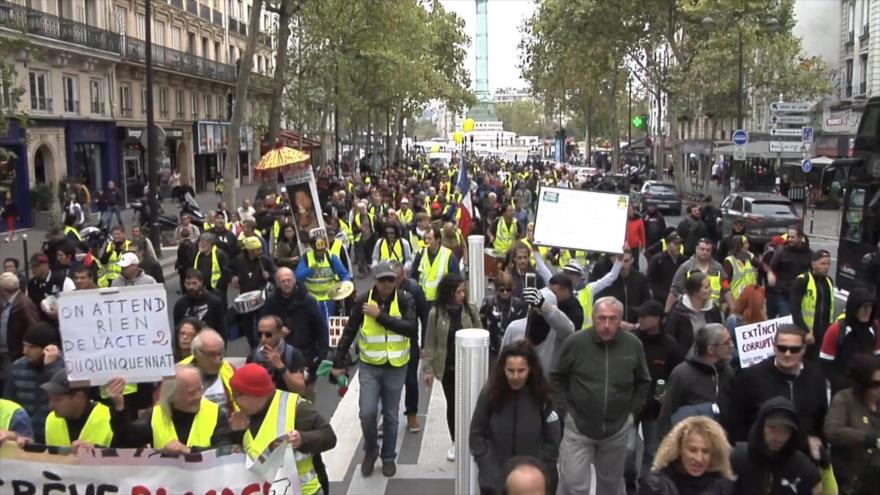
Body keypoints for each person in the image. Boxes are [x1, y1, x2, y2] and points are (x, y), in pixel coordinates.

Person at [553, 296, 651, 494]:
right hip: (579, 428)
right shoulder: (576, 342)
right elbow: (557, 377)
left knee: (611, 487)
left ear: (621, 320)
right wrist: (565, 411)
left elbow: (643, 380)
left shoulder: (633, 345)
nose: (607, 325)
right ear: (593, 317)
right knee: (572, 484)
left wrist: (632, 413)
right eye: (602, 318)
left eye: (613, 319)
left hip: (616, 430)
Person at [331, 261, 418, 477]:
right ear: (375, 281)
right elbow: (349, 332)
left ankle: (388, 457)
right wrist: (338, 363)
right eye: (382, 280)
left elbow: (410, 329)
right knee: (367, 413)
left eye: (391, 279)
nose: (387, 284)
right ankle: (371, 450)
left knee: (391, 415)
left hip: (396, 366)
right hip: (370, 365)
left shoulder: (405, 299)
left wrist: (379, 315)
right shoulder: (363, 301)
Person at [230, 363, 337, 495]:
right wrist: (237, 434)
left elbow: (329, 436)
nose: (234, 401)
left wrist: (302, 439)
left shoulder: (295, 408)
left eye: (237, 396)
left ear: (255, 394)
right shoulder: (243, 416)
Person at [470, 341, 561, 495]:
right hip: (495, 483)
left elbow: (553, 439)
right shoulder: (490, 393)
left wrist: (539, 470)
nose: (515, 376)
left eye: (521, 370)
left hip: (533, 484)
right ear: (503, 369)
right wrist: (487, 464)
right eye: (510, 370)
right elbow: (476, 433)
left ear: (530, 369)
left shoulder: (544, 395)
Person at [728, 325, 828, 456]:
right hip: (761, 457)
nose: (787, 354)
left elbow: (820, 420)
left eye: (794, 350)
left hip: (803, 458)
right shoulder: (751, 377)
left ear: (804, 350)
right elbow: (736, 423)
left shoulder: (815, 377)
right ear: (774, 347)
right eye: (782, 348)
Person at [423, 273, 482, 461]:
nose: (462, 295)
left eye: (464, 291)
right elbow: (430, 343)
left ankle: (473, 439)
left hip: (470, 366)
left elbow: (481, 334)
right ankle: (456, 442)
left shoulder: (470, 310)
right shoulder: (436, 314)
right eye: (459, 292)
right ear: (449, 293)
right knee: (454, 405)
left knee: (472, 404)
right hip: (448, 368)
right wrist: (428, 370)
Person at [108, 366, 234, 452]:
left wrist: (189, 452)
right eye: (191, 393)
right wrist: (119, 407)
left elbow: (225, 450)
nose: (198, 396)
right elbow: (125, 441)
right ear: (173, 395)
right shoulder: (156, 415)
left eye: (199, 389)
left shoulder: (215, 413)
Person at [628, 300, 683, 491]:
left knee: (652, 450)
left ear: (657, 319)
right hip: (631, 406)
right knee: (628, 451)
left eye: (644, 316)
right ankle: (629, 481)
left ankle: (647, 485)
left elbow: (677, 375)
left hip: (656, 410)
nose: (640, 320)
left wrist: (666, 397)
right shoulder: (632, 340)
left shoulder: (670, 346)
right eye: (639, 316)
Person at [731, 397, 822, 495]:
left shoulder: (803, 467)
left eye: (785, 430)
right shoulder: (737, 458)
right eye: (772, 428)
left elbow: (829, 492)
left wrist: (826, 469)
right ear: (761, 427)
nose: (778, 437)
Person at [261, 267, 327, 402]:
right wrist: (276, 333)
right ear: (278, 283)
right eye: (283, 281)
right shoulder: (271, 302)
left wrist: (321, 354)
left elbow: (321, 328)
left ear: (294, 280)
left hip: (306, 356)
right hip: (281, 357)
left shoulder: (308, 301)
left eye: (288, 280)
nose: (286, 283)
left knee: (306, 400)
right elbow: (263, 329)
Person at [657, 324, 734, 437]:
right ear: (711, 349)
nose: (732, 345)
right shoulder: (682, 374)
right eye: (727, 342)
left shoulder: (727, 372)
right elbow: (666, 416)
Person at [824, 354, 880, 495]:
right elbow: (832, 431)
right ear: (862, 383)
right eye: (875, 384)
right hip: (852, 479)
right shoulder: (844, 399)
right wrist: (867, 438)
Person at [638, 416, 735, 495]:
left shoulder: (723, 487)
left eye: (705, 451)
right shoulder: (655, 486)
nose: (699, 458)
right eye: (692, 450)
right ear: (679, 449)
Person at [4, 323, 65, 443]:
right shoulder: (17, 368)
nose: (25, 351)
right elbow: (9, 404)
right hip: (24, 438)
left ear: (47, 348)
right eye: (24, 346)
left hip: (54, 438)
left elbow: (63, 395)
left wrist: (51, 366)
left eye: (31, 347)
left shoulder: (64, 368)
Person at [389, 259, 430, 434]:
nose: (393, 284)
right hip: (388, 344)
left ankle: (412, 414)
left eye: (396, 279)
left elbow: (425, 317)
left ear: (403, 276)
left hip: (409, 342)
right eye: (390, 280)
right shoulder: (381, 291)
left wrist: (424, 344)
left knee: (411, 381)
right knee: (388, 384)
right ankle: (388, 417)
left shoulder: (414, 289)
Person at [502, 286, 576, 375]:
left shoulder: (557, 332)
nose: (537, 313)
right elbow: (502, 361)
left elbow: (569, 329)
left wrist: (544, 306)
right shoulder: (514, 328)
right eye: (534, 309)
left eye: (541, 312)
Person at [821, 287, 880, 393]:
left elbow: (877, 357)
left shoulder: (875, 328)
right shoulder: (836, 330)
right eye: (863, 307)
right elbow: (825, 363)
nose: (867, 311)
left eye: (870, 307)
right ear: (854, 308)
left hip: (868, 389)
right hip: (843, 390)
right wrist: (842, 385)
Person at [41, 369, 116, 448]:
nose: (51, 405)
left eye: (58, 399)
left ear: (79, 397)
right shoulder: (52, 419)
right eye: (50, 398)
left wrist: (97, 451)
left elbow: (124, 454)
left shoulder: (109, 417)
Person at [296, 228, 351, 325]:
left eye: (322, 250)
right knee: (314, 324)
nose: (321, 253)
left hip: (329, 297)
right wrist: (310, 271)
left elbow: (344, 274)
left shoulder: (331, 257)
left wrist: (343, 287)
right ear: (313, 248)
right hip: (312, 297)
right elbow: (297, 276)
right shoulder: (306, 258)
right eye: (318, 251)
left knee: (327, 324)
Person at [177, 329, 237, 417]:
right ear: (196, 353)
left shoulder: (229, 369)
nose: (218, 360)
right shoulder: (179, 372)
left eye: (220, 354)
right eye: (211, 354)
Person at [665, 272, 724, 358]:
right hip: (685, 361)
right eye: (706, 287)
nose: (711, 289)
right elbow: (669, 339)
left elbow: (720, 332)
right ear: (695, 292)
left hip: (711, 358)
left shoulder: (713, 309)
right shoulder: (678, 312)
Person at [791, 249, 835, 359]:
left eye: (828, 264)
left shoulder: (829, 281)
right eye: (822, 263)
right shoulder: (803, 280)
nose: (826, 267)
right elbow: (795, 309)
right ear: (813, 264)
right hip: (806, 333)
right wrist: (806, 332)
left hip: (824, 333)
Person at [246, 315, 306, 394]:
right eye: (260, 334)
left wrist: (280, 366)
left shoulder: (292, 354)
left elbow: (300, 389)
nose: (263, 339)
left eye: (268, 335)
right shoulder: (253, 356)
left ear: (280, 333)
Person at [667, 238, 730, 312]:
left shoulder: (718, 268)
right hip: (690, 310)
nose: (705, 252)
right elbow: (674, 291)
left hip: (713, 310)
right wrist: (667, 312)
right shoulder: (686, 267)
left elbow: (726, 289)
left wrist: (734, 310)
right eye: (702, 249)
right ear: (696, 249)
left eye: (708, 250)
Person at [596, 248, 652, 326]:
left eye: (626, 261)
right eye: (620, 261)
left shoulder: (640, 278)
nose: (622, 265)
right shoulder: (608, 281)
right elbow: (600, 303)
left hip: (636, 324)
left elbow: (647, 302)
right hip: (614, 324)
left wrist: (641, 321)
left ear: (632, 260)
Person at [480, 272, 528, 358]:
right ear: (497, 289)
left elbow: (522, 327)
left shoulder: (518, 304)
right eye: (502, 290)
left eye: (508, 289)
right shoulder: (489, 302)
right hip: (492, 347)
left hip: (512, 348)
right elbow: (480, 323)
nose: (505, 292)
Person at [769, 226, 813, 317]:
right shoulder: (781, 252)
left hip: (802, 295)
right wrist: (770, 274)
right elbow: (771, 268)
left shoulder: (809, 253)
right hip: (784, 295)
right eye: (789, 237)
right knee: (786, 320)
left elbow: (814, 271)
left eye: (792, 237)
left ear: (800, 238)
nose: (789, 239)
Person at [1, 272, 38, 378]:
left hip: (15, 353)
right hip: (7, 352)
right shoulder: (6, 303)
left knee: (11, 383)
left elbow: (33, 327)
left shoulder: (23, 304)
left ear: (3, 289)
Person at [172, 269, 228, 338]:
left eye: (194, 283)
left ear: (201, 282)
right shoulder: (180, 305)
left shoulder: (214, 303)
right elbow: (177, 332)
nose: (191, 287)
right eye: (188, 284)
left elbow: (222, 329)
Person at [724, 284, 766, 366]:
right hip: (740, 367)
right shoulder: (733, 321)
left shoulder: (762, 316)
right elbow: (729, 348)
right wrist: (747, 358)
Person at [647, 233, 685, 306]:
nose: (678, 246)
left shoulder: (684, 260)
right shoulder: (657, 260)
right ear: (667, 244)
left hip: (680, 300)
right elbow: (650, 281)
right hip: (661, 300)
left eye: (679, 244)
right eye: (675, 244)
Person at [193, 232, 231, 304]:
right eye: (200, 242)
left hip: (217, 291)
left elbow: (226, 272)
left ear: (210, 244)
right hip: (202, 290)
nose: (200, 244)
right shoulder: (197, 255)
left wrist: (219, 286)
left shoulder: (220, 254)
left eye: (203, 242)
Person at [721, 235, 757, 302]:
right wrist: (724, 301)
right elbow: (724, 282)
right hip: (735, 301)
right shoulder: (729, 261)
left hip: (750, 300)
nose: (748, 246)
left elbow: (762, 265)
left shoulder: (749, 257)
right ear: (738, 245)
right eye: (745, 243)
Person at [626, 205, 647, 271]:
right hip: (625, 246)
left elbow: (642, 233)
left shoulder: (639, 220)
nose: (629, 212)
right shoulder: (624, 219)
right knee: (625, 263)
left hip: (634, 246)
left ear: (634, 211)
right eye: (628, 210)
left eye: (631, 210)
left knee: (635, 264)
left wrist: (643, 246)